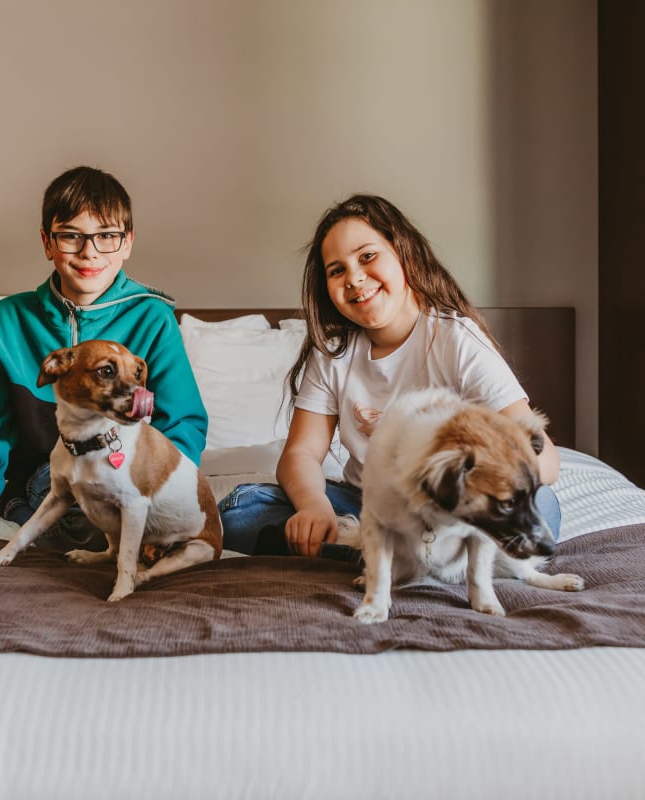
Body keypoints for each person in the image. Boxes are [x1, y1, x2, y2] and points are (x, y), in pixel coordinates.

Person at [219, 194, 562, 557]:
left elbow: (547, 460)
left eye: (367, 257)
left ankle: (374, 553)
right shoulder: (333, 353)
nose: (354, 278)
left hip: (452, 510)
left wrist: (465, 495)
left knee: (542, 507)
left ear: (404, 254)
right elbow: (300, 454)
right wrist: (313, 506)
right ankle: (412, 556)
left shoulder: (457, 340)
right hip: (367, 503)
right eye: (337, 270)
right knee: (239, 511)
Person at [0, 165, 207, 550]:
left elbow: (180, 427)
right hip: (34, 493)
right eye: (70, 237)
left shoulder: (154, 320)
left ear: (127, 243)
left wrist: (161, 508)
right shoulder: (4, 324)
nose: (89, 252)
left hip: (123, 486)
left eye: (106, 236)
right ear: (47, 243)